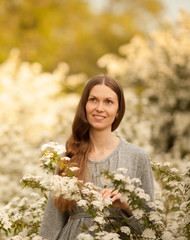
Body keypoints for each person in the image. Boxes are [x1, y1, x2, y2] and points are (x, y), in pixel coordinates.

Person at [39, 74, 154, 240]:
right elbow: (51, 226)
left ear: (118, 111)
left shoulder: (137, 156)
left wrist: (127, 206)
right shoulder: (68, 158)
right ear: (85, 105)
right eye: (93, 100)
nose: (99, 108)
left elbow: (151, 228)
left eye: (108, 102)